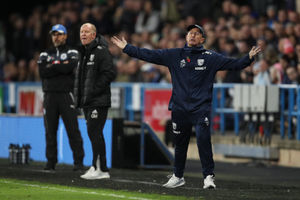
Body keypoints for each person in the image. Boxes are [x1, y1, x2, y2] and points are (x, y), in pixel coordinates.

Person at [111, 24, 261, 189]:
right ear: (186, 37)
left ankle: (208, 177)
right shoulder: (175, 54)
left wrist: (249, 57)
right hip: (179, 108)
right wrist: (127, 48)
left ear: (203, 39)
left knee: (203, 141)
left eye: (197, 34)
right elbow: (149, 55)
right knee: (180, 144)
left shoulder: (211, 57)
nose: (193, 36)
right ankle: (178, 176)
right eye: (190, 33)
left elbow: (234, 64)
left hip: (200, 108)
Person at [37, 24, 84, 171]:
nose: (56, 37)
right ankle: (51, 162)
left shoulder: (72, 51)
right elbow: (43, 72)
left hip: (66, 95)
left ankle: (78, 163)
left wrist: (53, 66)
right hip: (49, 96)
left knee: (73, 130)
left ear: (65, 36)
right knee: (50, 131)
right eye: (54, 34)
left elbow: (69, 68)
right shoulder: (44, 54)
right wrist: (60, 66)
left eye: (59, 34)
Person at [74, 23, 116, 180]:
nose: (83, 34)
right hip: (88, 101)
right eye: (81, 31)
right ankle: (100, 167)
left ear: (93, 35)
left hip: (98, 101)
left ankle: (99, 168)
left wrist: (92, 92)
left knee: (94, 132)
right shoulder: (83, 52)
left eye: (86, 31)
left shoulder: (101, 51)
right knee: (94, 133)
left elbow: (109, 74)